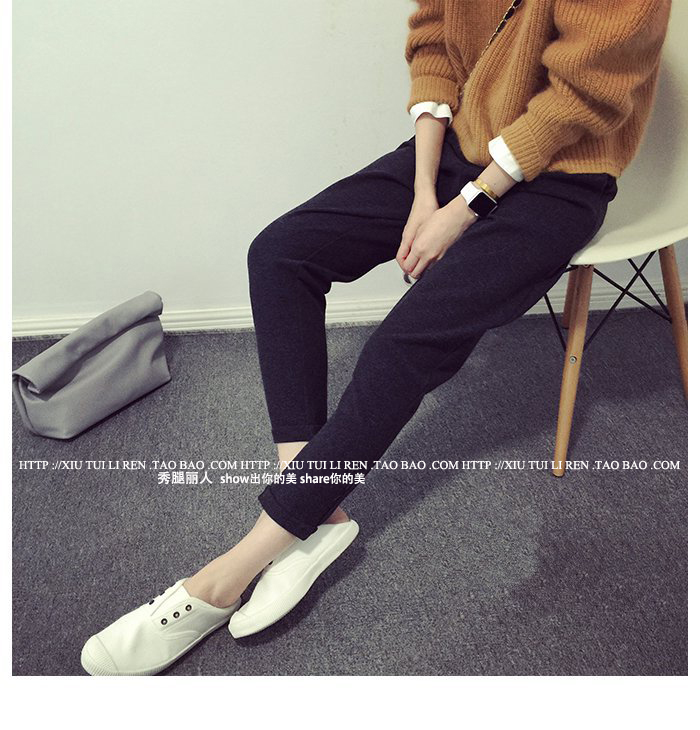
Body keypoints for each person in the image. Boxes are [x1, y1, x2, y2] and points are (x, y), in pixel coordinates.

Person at [80, 0, 672, 675]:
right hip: (458, 153)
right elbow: (435, 43)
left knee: (402, 343)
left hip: (560, 179)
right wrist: (425, 191)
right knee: (281, 254)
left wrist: (464, 209)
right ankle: (315, 514)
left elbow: (579, 102)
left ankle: (222, 578)